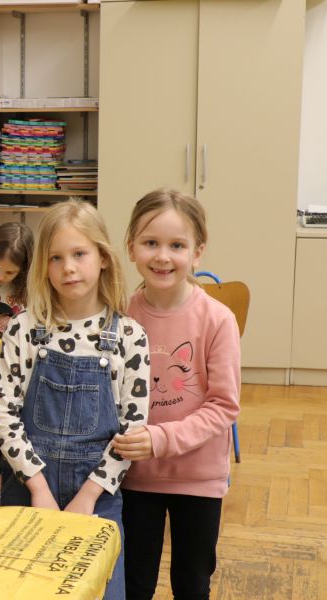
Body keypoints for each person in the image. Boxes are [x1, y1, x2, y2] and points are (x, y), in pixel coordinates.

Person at [0, 199, 150, 600]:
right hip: (27, 489)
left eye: (79, 254)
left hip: (97, 495)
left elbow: (132, 433)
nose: (68, 268)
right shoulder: (23, 330)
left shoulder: (129, 336)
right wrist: (39, 489)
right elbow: (3, 418)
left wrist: (89, 496)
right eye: (55, 257)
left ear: (103, 258)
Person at [113, 189, 240, 600]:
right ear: (131, 247)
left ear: (197, 252)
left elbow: (223, 406)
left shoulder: (217, 320)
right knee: (135, 583)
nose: (163, 256)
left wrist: (160, 439)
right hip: (134, 478)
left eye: (177, 246)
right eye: (151, 243)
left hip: (198, 479)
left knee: (192, 583)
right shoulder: (120, 316)